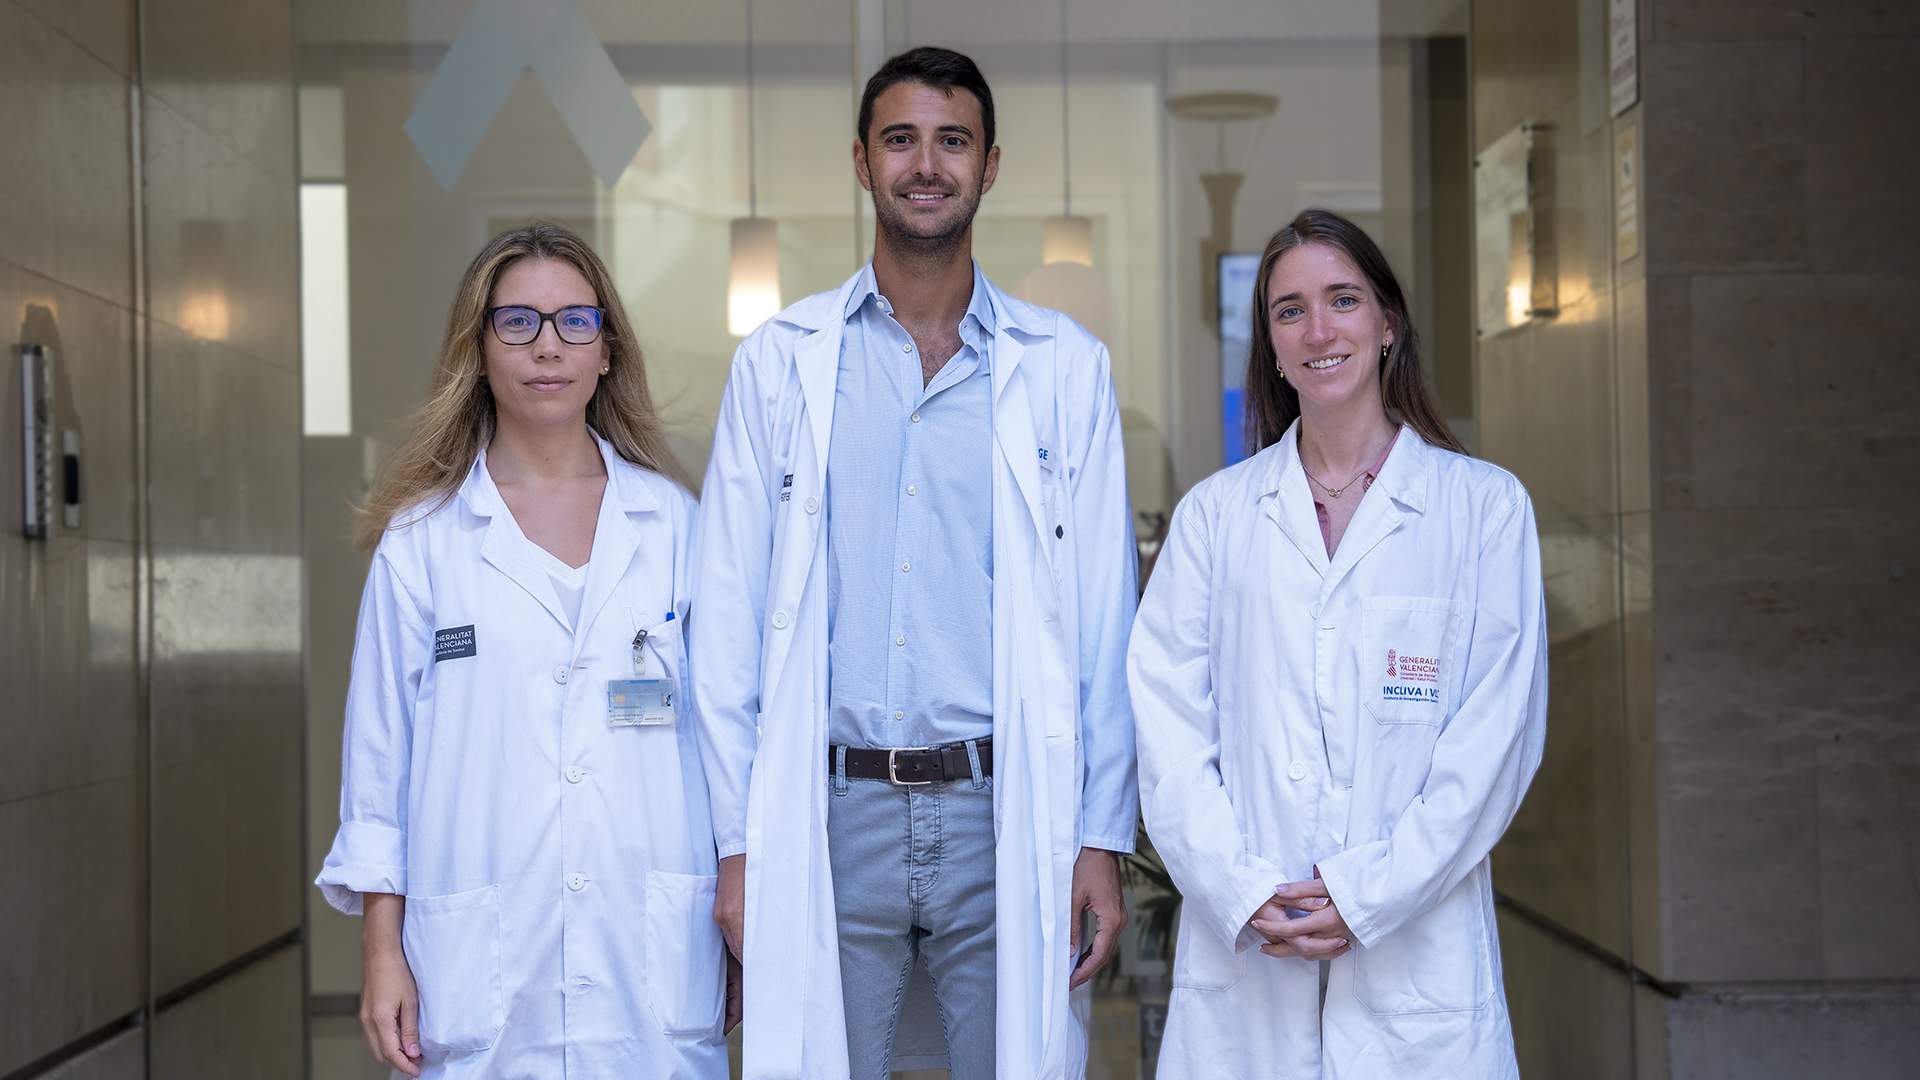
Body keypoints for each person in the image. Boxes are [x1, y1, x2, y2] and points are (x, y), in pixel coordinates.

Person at [690, 46, 1138, 1080]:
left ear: (990, 166)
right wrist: (737, 844)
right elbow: (726, 623)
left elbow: (1105, 623)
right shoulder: (780, 364)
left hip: (1002, 807)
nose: (925, 165)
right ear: (861, 161)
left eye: (952, 141)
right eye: (900, 139)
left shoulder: (1065, 369)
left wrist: (1099, 836)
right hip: (830, 812)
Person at [1128, 209, 1548, 1078]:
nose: (1318, 330)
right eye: (1290, 311)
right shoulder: (1214, 519)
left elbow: (1493, 745)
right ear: (1273, 348)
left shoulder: (1483, 510)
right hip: (1251, 959)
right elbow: (1167, 733)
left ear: (1388, 324)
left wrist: (1368, 896)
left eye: (1343, 300)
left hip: (1417, 967)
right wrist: (1241, 891)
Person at [316, 224, 730, 1078]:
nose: (548, 346)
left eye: (575, 321)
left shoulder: (676, 526)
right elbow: (378, 767)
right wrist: (382, 950)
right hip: (481, 967)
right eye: (518, 322)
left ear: (607, 350)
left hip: (648, 958)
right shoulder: (423, 542)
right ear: (478, 350)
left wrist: (737, 897)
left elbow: (728, 739)